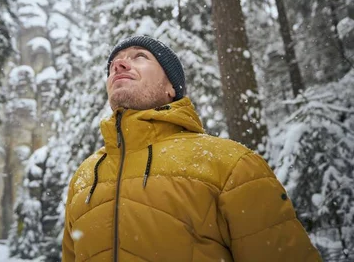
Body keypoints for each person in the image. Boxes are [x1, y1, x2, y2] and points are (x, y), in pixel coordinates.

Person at [61, 35, 320, 262]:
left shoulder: (231, 164)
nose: (119, 65)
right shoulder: (84, 177)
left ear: (171, 87)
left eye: (140, 56)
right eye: (113, 64)